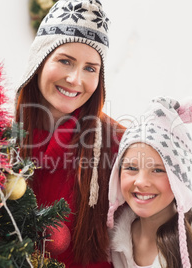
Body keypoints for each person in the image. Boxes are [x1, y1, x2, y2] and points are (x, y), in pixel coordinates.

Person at [14, 0, 124, 267]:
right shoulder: (1, 141)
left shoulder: (118, 144)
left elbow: (168, 219)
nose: (76, 79)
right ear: (40, 60)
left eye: (90, 68)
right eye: (65, 61)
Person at [106, 96, 192, 268]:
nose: (141, 182)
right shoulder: (116, 240)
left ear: (179, 180)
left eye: (157, 170)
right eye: (131, 168)